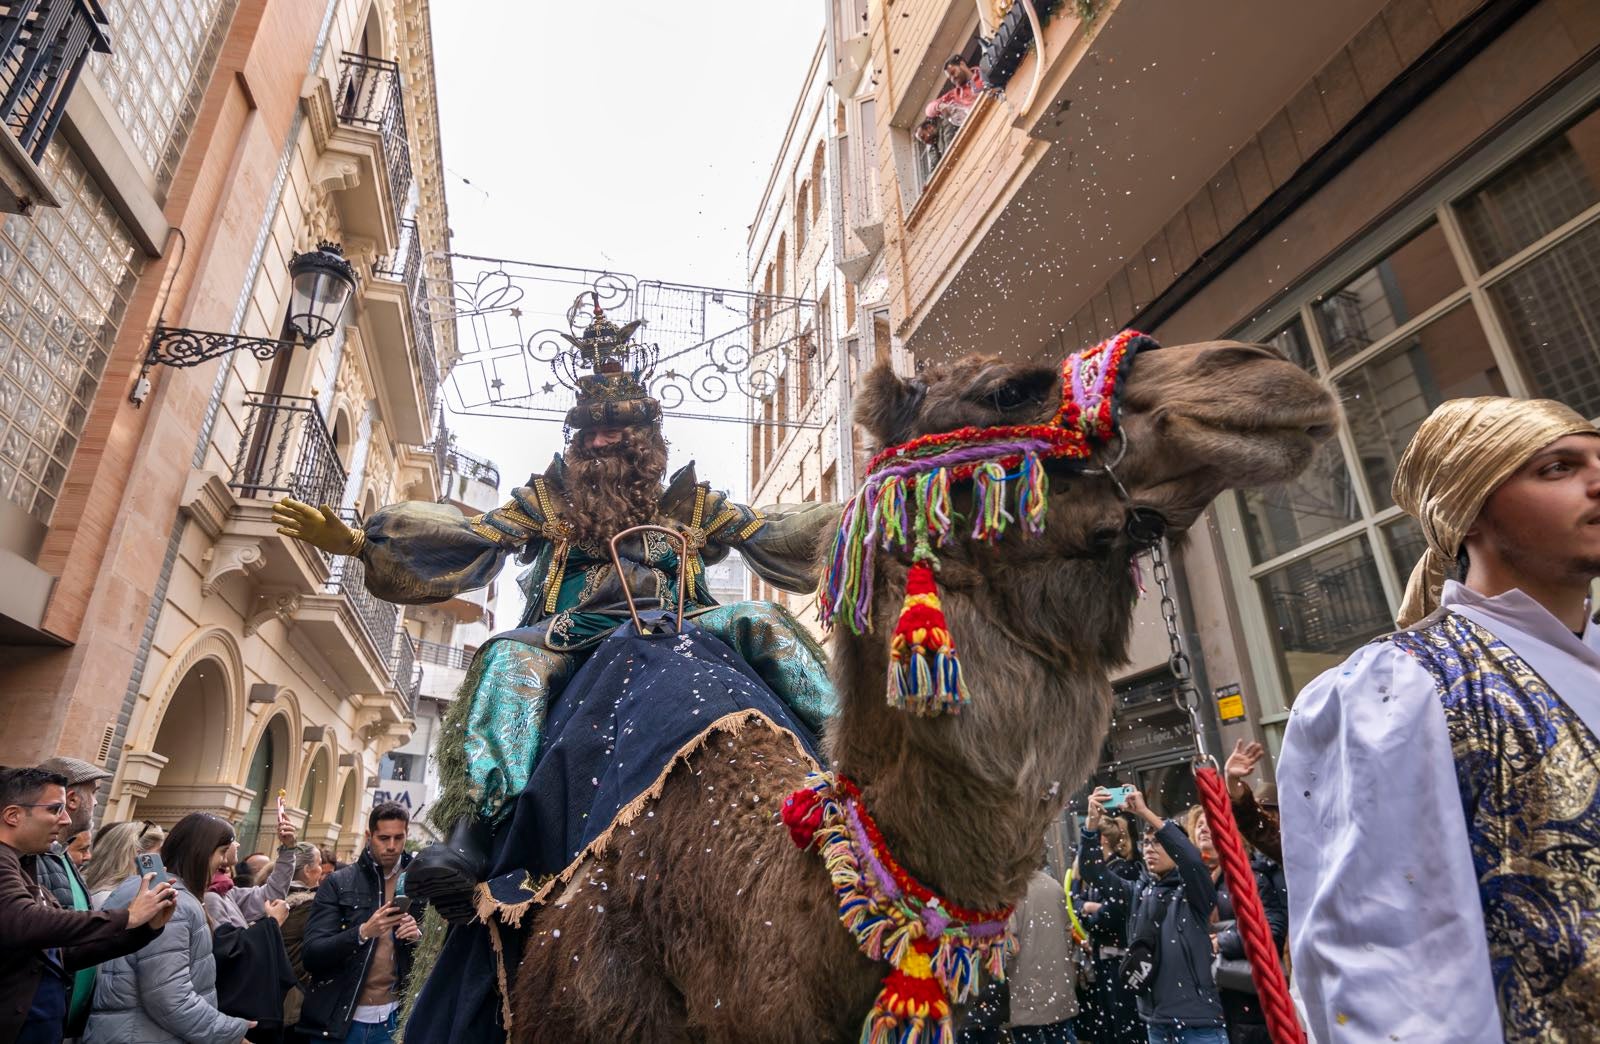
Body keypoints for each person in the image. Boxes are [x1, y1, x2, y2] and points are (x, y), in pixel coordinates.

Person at [275, 301, 838, 1037]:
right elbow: (471, 536)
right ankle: (481, 827)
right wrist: (360, 541)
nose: (602, 442)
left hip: (684, 623)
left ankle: (845, 756)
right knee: (510, 658)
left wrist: (872, 517)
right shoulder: (548, 502)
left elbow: (778, 533)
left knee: (761, 622)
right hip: (570, 635)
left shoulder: (692, 504)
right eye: (590, 432)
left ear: (646, 441)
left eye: (619, 430)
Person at [1279, 396, 1600, 1043]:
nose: (1596, 481)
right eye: (1557, 467)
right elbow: (1390, 976)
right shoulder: (1402, 685)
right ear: (1470, 509)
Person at [0, 767, 176, 1044]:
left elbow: (63, 953)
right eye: (56, 808)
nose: (65, 819)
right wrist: (127, 917)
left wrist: (145, 927)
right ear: (13, 815)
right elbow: (23, 920)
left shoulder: (26, 863)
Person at [86, 811, 253, 1043]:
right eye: (222, 852)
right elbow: (167, 996)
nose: (226, 862)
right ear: (201, 851)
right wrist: (228, 1032)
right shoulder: (174, 903)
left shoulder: (153, 892)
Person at [1080, 787, 1226, 1044]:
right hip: (1155, 1025)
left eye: (1157, 842)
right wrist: (1091, 825)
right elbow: (1092, 871)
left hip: (1197, 1026)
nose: (1149, 848)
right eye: (1146, 842)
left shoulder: (1193, 891)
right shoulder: (1137, 892)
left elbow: (1191, 861)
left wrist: (1146, 813)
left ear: (1174, 846)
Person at [298, 803, 418, 1043]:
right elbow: (312, 954)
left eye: (399, 837)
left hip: (396, 1019)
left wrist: (418, 936)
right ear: (368, 836)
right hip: (339, 1019)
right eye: (384, 838)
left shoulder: (418, 881)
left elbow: (437, 950)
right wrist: (363, 932)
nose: (392, 846)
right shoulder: (338, 882)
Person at [1184, 808, 1287, 1044]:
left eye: (1209, 822)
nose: (1202, 828)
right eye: (1198, 824)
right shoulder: (1189, 881)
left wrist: (1221, 941)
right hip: (1208, 1004)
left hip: (1246, 1001)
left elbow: (1272, 931)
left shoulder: (1248, 877)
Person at [33, 757, 114, 1042]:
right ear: (73, 799)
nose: (96, 801)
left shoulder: (63, 855)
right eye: (94, 792)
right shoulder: (34, 858)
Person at [1072, 811, 1144, 1044]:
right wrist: (1090, 908)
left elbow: (1109, 917)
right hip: (1101, 962)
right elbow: (1077, 904)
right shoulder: (1099, 874)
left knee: (1124, 1025)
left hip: (1120, 961)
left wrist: (1091, 913)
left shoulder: (1123, 870)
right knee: (1107, 1026)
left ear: (1102, 840)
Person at [1005, 866, 1079, 1043]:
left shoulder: (1010, 892)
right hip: (1058, 985)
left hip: (1026, 990)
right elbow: (1068, 933)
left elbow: (1009, 948)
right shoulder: (1054, 886)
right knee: (1060, 1035)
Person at [205, 822, 295, 930]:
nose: (238, 844)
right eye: (232, 840)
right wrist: (273, 922)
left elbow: (270, 896)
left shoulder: (224, 891)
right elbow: (231, 945)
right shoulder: (211, 896)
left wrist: (288, 850)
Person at [278, 843, 324, 1028]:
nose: (322, 869)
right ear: (307, 870)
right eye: (319, 863)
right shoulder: (308, 908)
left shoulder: (269, 896)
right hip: (293, 996)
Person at [1220, 741, 1280, 865]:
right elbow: (1254, 824)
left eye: (1269, 811)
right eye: (1262, 810)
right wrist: (1231, 780)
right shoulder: (1294, 842)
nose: (1267, 815)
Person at [81, 822, 164, 910]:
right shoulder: (112, 900)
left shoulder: (85, 889)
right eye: (157, 856)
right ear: (137, 855)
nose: (161, 863)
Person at [925, 54, 985, 127]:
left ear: (962, 64)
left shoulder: (984, 72)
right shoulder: (955, 94)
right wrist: (940, 106)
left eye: (953, 72)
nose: (953, 79)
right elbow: (928, 111)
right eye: (950, 78)